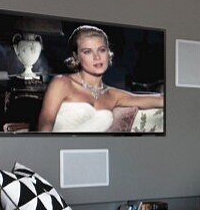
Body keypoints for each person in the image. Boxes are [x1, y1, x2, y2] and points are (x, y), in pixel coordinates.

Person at [37, 25, 165, 132]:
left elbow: (159, 100)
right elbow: (44, 129)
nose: (97, 57)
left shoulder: (113, 94)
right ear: (76, 57)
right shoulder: (61, 84)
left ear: (108, 54)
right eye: (87, 52)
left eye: (101, 50)